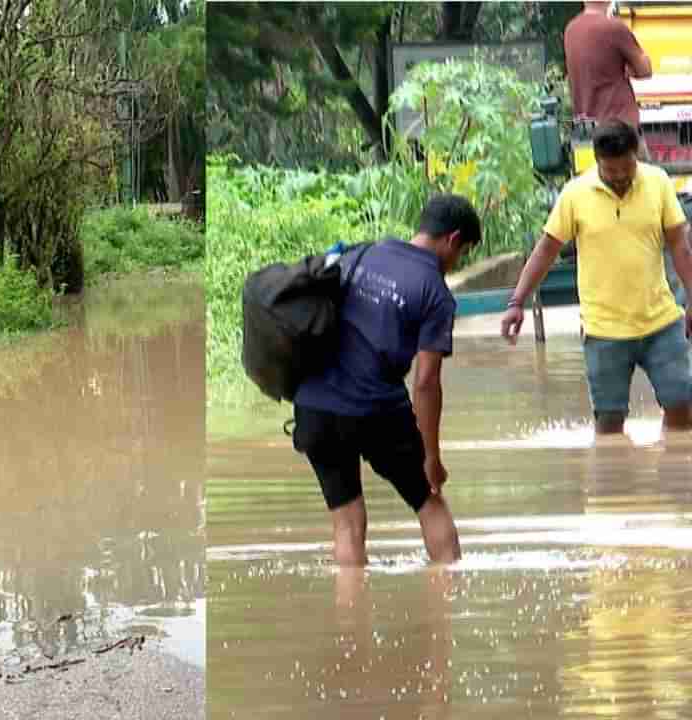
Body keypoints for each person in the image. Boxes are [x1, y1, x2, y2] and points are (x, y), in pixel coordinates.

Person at [291, 194, 479, 567]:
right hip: (375, 408)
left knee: (347, 525)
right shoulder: (435, 293)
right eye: (463, 253)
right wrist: (431, 457)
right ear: (453, 240)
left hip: (314, 406)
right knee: (429, 502)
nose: (457, 262)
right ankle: (446, 607)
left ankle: (349, 618)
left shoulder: (359, 254)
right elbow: (426, 381)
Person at [501, 120, 692, 435]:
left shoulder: (658, 183)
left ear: (636, 155)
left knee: (682, 409)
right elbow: (546, 249)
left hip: (661, 322)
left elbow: (679, 246)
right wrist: (516, 301)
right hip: (604, 330)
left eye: (626, 170)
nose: (619, 178)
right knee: (609, 422)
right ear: (597, 160)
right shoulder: (575, 194)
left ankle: (670, 475)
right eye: (610, 171)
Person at [564, 1, 653, 158]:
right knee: (644, 180)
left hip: (587, 132)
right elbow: (645, 70)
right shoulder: (613, 28)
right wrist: (626, 69)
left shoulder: (571, 30)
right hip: (621, 131)